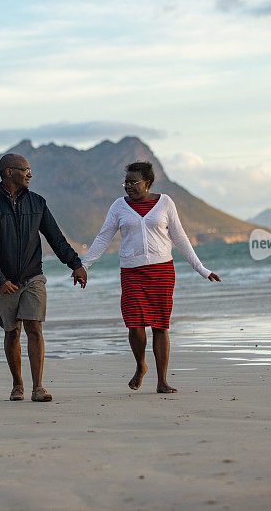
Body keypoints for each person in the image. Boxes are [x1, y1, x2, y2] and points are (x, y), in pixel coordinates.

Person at [82, 161, 221, 393]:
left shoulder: (165, 202)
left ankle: (162, 380)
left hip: (162, 272)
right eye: (125, 183)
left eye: (133, 182)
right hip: (132, 272)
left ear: (147, 182)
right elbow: (103, 237)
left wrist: (201, 268)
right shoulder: (118, 206)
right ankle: (140, 366)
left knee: (160, 326)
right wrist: (84, 265)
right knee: (134, 325)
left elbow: (180, 237)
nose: (128, 187)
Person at [0, 153, 87, 402]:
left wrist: (75, 264)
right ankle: (17, 385)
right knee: (12, 331)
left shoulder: (38, 203)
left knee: (34, 328)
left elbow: (55, 238)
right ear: (9, 173)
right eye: (25, 170)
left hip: (33, 276)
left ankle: (38, 388)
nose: (30, 174)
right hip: (4, 282)